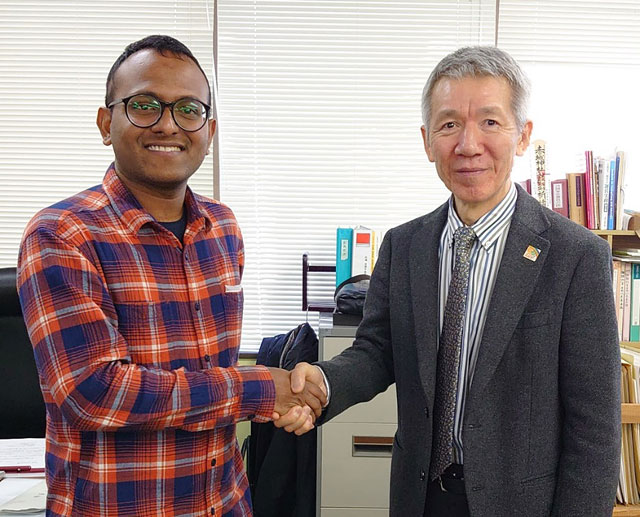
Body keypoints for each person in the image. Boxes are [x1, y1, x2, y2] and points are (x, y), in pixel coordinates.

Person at [274, 46, 621, 516]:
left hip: (522, 503)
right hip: (421, 497)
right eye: (449, 123)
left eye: (491, 122)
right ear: (426, 140)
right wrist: (324, 382)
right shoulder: (404, 246)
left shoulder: (577, 256)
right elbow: (378, 351)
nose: (468, 144)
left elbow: (595, 429)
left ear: (523, 136)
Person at [17, 35, 324, 517]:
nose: (167, 124)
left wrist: (283, 399)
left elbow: (210, 373)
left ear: (209, 128)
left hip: (223, 501)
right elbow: (94, 393)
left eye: (188, 109)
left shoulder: (222, 227)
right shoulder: (62, 234)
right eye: (144, 105)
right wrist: (264, 388)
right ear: (105, 122)